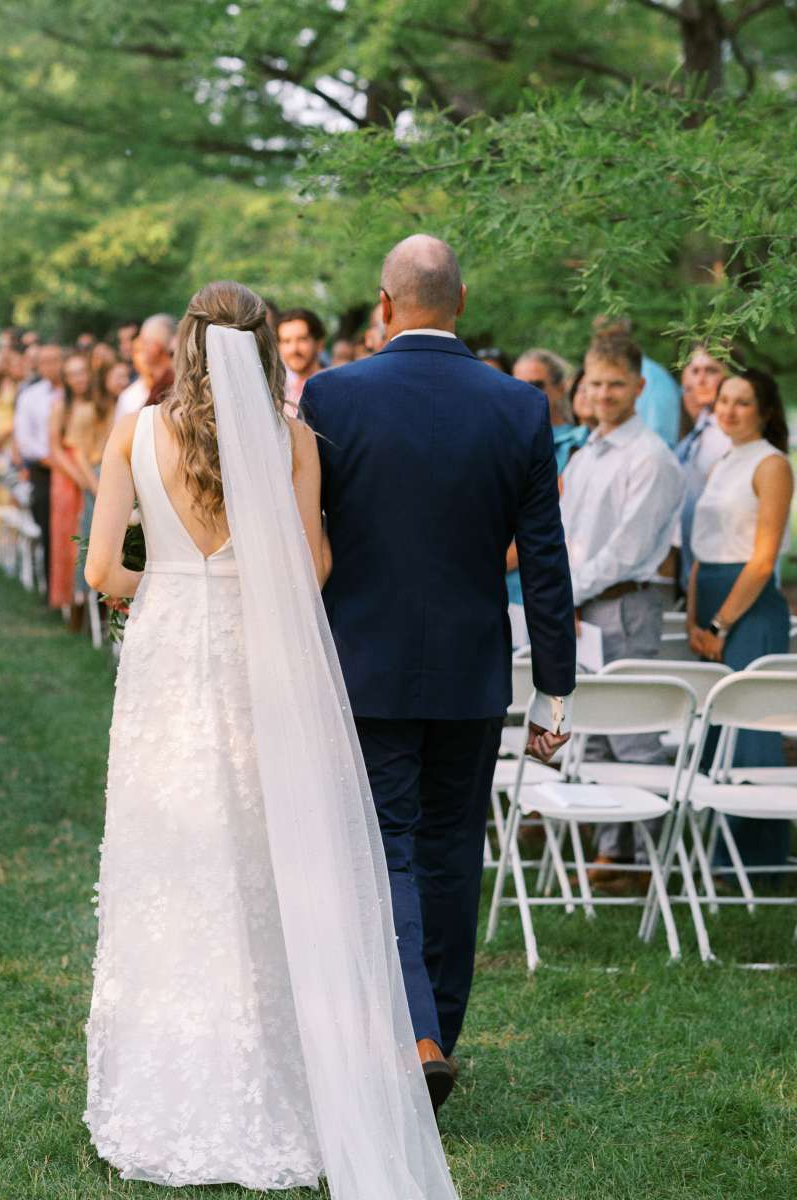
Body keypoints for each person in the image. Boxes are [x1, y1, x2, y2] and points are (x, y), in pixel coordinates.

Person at [84, 280, 457, 1198]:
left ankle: (165, 1081)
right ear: (262, 348)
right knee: (266, 858)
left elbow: (101, 571)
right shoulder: (293, 439)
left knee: (168, 859)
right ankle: (279, 1082)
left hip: (168, 658)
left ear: (186, 345)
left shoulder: (136, 429)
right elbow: (315, 565)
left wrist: (170, 586)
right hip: (260, 658)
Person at [303, 236, 575, 1112]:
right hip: (470, 671)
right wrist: (555, 690)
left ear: (385, 304)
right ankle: (439, 1034)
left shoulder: (333, 394)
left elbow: (310, 540)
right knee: (456, 850)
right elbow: (544, 559)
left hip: (366, 664)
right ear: (461, 301)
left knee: (388, 846)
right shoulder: (519, 407)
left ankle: (417, 1037)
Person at [559, 334, 685, 884]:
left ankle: (649, 857)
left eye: (616, 384)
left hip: (625, 605)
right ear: (582, 386)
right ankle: (614, 852)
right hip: (585, 608)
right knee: (596, 729)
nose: (604, 393)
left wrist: (568, 594)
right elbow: (568, 535)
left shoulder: (650, 457)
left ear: (639, 386)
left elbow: (627, 550)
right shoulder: (587, 453)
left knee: (633, 730)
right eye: (595, 383)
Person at [688, 369, 794, 869]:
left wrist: (720, 625)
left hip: (747, 608)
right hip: (706, 598)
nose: (728, 410)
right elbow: (699, 549)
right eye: (724, 400)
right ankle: (717, 857)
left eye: (743, 402)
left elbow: (763, 560)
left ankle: (759, 863)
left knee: (749, 731)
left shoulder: (772, 464)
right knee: (712, 734)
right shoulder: (722, 461)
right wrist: (694, 619)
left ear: (766, 411)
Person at [507, 348, 588, 604]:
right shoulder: (504, 442)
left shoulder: (578, 446)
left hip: (542, 591)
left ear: (561, 387)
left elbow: (556, 523)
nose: (525, 393)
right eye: (516, 385)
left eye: (536, 385)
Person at [675, 345, 731, 595]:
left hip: (727, 573)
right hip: (693, 574)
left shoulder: (730, 436)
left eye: (711, 370)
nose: (700, 379)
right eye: (695, 370)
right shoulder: (696, 434)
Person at [12, 342, 63, 596]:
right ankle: (51, 590)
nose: (53, 366)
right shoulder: (30, 396)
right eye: (47, 361)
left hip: (75, 470)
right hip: (43, 470)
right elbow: (25, 439)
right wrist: (50, 459)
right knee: (48, 529)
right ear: (39, 366)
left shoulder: (73, 393)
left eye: (57, 359)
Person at [71, 359, 122, 601]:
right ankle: (86, 599)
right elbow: (78, 453)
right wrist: (94, 485)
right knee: (93, 541)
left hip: (119, 478)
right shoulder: (85, 410)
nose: (123, 381)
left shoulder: (124, 406)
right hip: (97, 479)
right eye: (117, 376)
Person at [593, 317, 681, 447]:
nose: (607, 345)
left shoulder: (652, 377)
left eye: (613, 337)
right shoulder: (597, 375)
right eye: (600, 338)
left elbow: (662, 438)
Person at [47, 352, 89, 620]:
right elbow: (54, 448)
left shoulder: (97, 404)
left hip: (89, 468)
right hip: (66, 476)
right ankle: (68, 602)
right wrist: (78, 476)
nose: (78, 378)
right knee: (67, 536)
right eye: (72, 373)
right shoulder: (60, 406)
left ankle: (86, 602)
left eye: (82, 372)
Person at [277, 307, 326, 416]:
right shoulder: (279, 393)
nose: (294, 349)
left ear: (319, 344)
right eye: (286, 341)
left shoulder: (336, 386)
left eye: (302, 339)